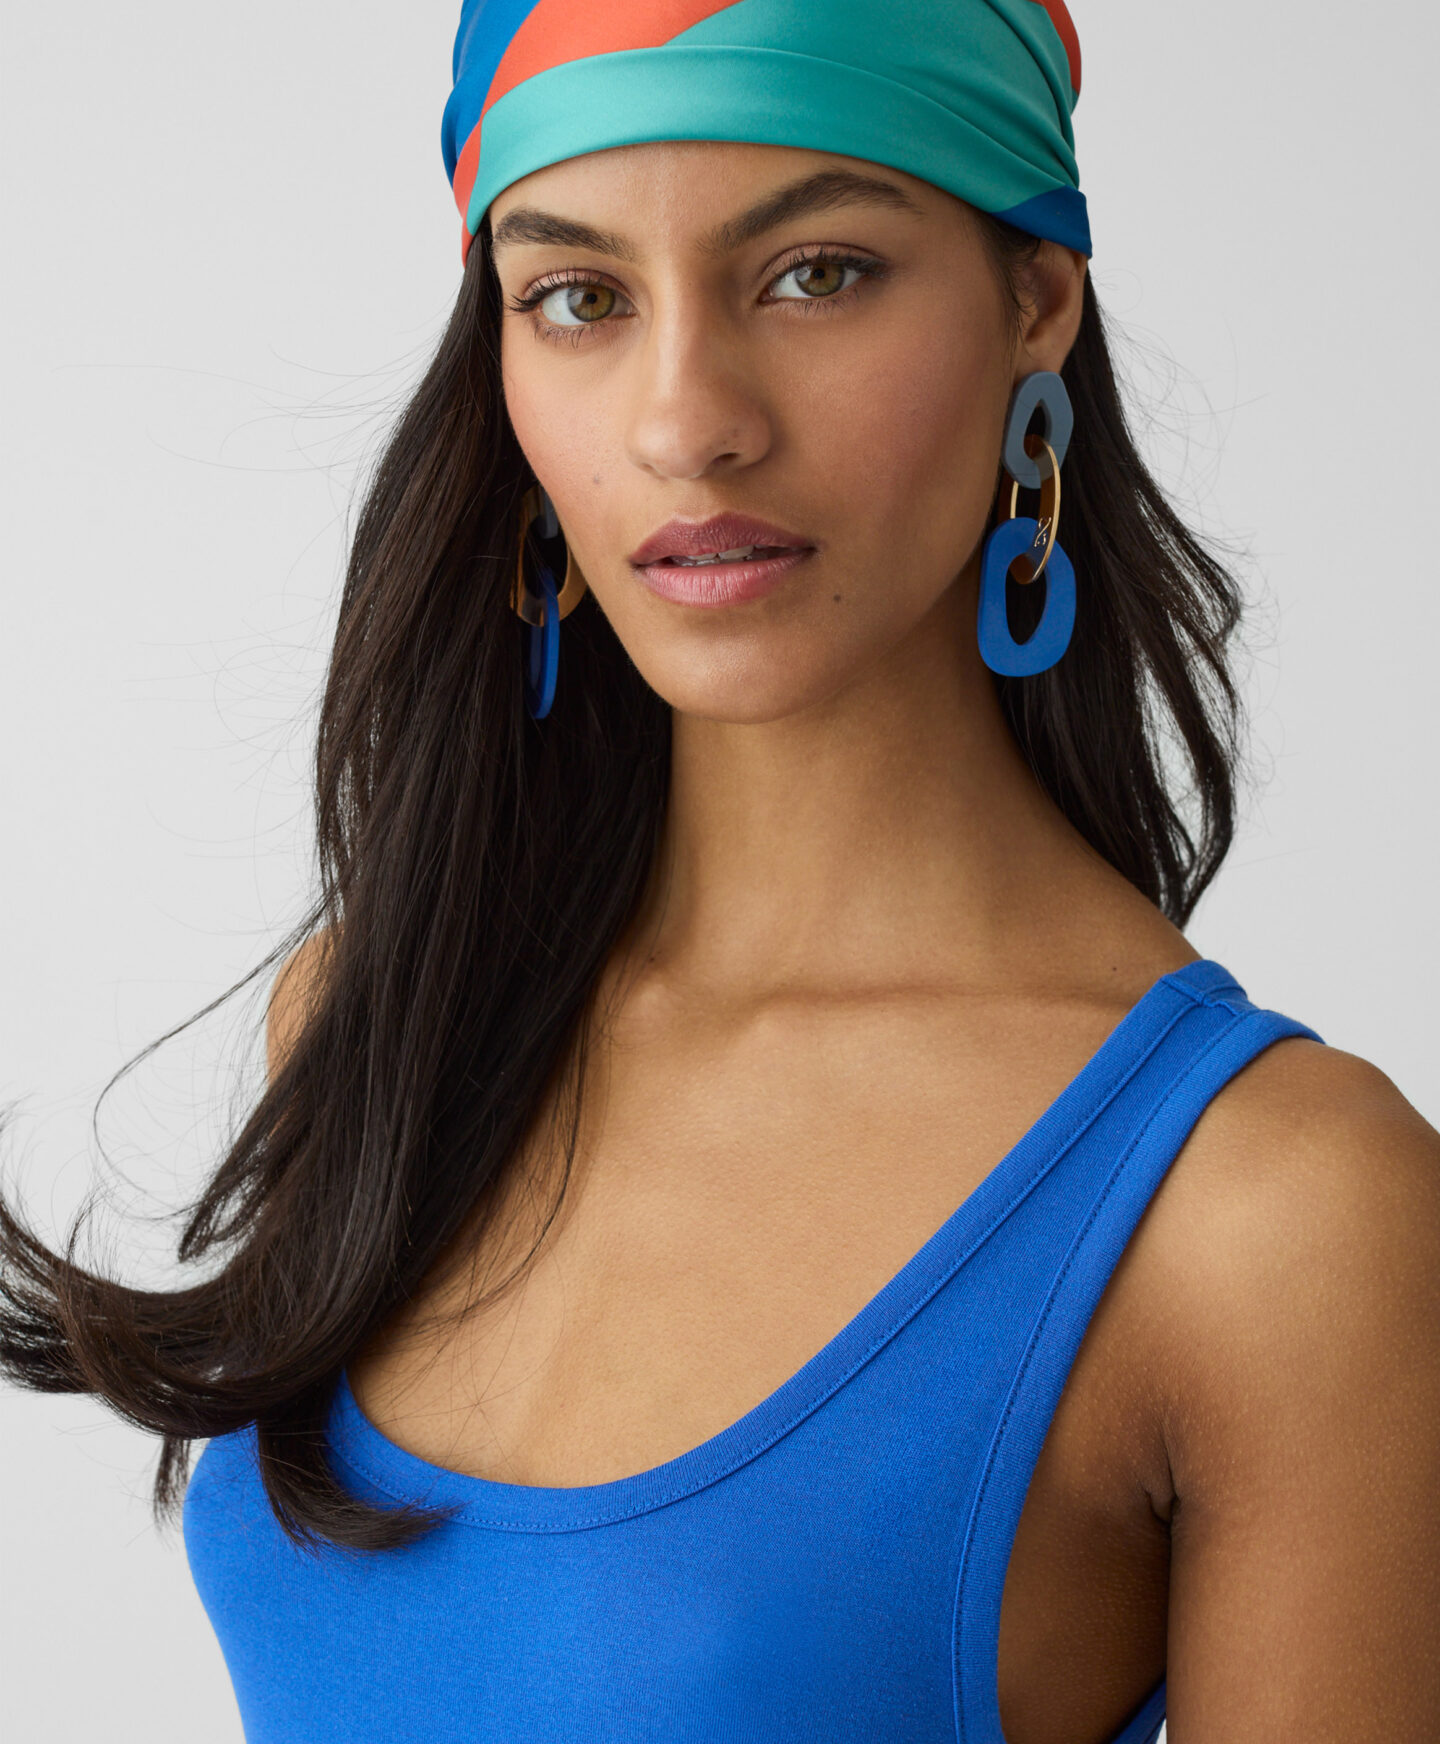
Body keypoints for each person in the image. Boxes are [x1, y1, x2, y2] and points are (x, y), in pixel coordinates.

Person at [3, 3, 1437, 1739]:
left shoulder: (1275, 1219)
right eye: (579, 297)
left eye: (817, 274)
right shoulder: (387, 1012)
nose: (688, 423)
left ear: (1037, 300)